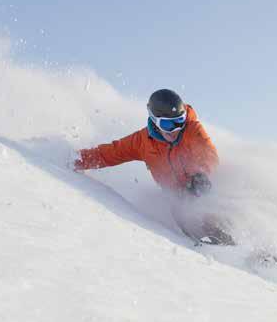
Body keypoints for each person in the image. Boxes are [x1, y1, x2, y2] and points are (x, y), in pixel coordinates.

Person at [74, 88, 233, 244]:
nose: (176, 130)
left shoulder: (191, 130)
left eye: (179, 121)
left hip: (200, 190)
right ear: (155, 122)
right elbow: (107, 154)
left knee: (213, 221)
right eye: (168, 125)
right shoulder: (142, 142)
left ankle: (238, 247)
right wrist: (75, 159)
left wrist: (201, 174)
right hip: (177, 201)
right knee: (189, 229)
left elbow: (208, 153)